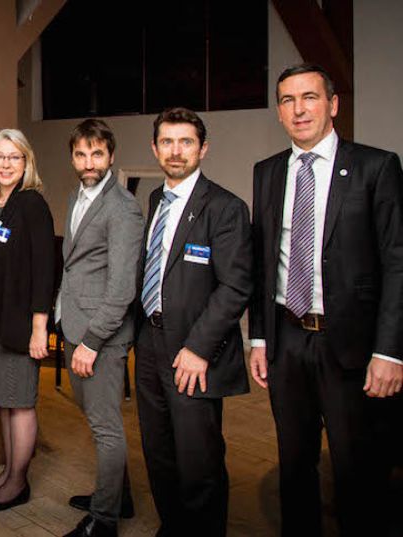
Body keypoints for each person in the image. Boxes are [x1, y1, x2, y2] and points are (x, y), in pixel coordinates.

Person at [248, 63, 403, 536]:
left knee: (357, 469)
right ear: (279, 111)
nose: (300, 109)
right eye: (289, 100)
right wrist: (258, 338)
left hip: (352, 346)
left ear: (332, 105)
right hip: (287, 339)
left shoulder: (376, 167)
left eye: (310, 97)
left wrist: (390, 351)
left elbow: (398, 261)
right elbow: (261, 260)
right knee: (294, 464)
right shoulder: (268, 172)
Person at [134, 107, 251, 537]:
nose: (176, 151)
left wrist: (200, 348)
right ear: (154, 148)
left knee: (198, 460)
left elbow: (235, 287)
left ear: (203, 148)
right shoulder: (154, 199)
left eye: (186, 142)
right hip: (150, 343)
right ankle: (174, 526)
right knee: (159, 451)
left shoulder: (225, 207)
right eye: (167, 142)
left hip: (193, 351)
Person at [57, 119, 143, 537]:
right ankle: (118, 497)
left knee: (106, 427)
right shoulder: (78, 194)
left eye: (97, 154)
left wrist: (91, 342)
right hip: (75, 325)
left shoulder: (122, 207)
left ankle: (104, 520)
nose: (89, 162)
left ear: (111, 156)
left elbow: (123, 288)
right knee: (94, 416)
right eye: (81, 154)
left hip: (101, 336)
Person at [0, 129, 54, 513]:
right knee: (2, 400)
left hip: (21, 320)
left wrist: (40, 326)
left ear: (26, 162)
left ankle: (19, 482)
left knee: (20, 401)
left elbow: (44, 270)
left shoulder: (31, 204)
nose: (6, 164)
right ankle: (7, 472)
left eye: (14, 157)